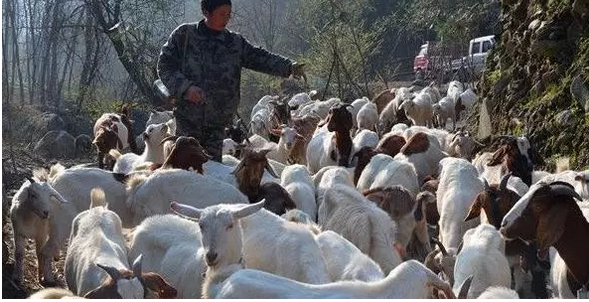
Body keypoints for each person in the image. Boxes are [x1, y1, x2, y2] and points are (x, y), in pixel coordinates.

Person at [157, 0, 305, 162]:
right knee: (185, 170)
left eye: (229, 14)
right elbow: (165, 66)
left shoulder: (234, 43)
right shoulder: (184, 36)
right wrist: (186, 88)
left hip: (218, 125)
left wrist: (289, 67)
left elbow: (260, 57)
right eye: (222, 14)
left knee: (212, 171)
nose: (227, 18)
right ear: (206, 12)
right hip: (188, 120)